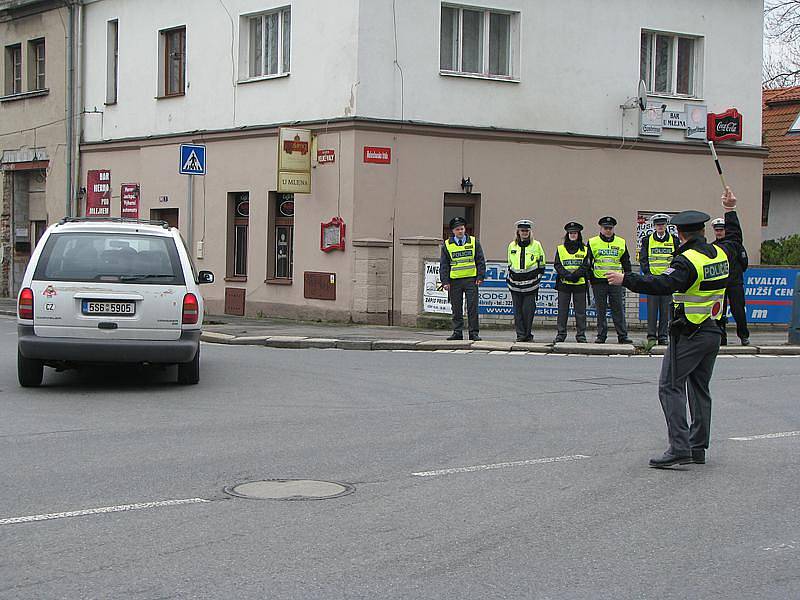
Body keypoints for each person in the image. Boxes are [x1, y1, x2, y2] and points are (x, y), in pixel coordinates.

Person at [606, 186, 742, 468]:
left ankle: (679, 447)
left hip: (689, 332)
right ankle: (697, 447)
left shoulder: (686, 260)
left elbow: (662, 284)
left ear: (680, 234)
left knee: (670, 387)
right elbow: (734, 240)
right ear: (703, 232)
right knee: (700, 389)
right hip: (714, 330)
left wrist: (625, 278)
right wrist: (730, 210)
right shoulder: (720, 254)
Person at [584, 216, 633, 344]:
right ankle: (601, 336)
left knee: (618, 309)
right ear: (600, 228)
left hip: (616, 281)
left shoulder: (621, 242)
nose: (608, 230)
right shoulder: (592, 242)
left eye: (610, 228)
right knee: (601, 310)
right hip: (598, 281)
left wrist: (627, 278)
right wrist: (590, 278)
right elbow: (587, 262)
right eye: (605, 228)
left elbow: (626, 262)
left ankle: (622, 336)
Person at [440, 216, 486, 341]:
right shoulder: (447, 245)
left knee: (472, 307)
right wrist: (445, 281)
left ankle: (473, 333)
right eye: (457, 229)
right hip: (455, 281)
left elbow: (480, 260)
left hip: (471, 279)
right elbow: (444, 265)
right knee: (456, 308)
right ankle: (457, 332)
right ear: (453, 231)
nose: (460, 231)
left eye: (462, 229)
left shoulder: (473, 242)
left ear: (465, 229)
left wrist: (480, 276)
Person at [640, 214, 680, 346]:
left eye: (662, 225)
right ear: (654, 226)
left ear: (666, 226)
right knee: (652, 310)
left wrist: (672, 275)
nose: (660, 227)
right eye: (658, 225)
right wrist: (648, 275)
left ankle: (663, 336)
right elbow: (643, 259)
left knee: (665, 310)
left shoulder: (674, 240)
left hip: (667, 281)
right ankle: (651, 336)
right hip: (653, 280)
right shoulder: (647, 240)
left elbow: (677, 259)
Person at [712, 217, 750, 346]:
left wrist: (736, 274)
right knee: (719, 312)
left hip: (735, 282)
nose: (719, 233)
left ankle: (744, 336)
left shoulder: (735, 244)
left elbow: (744, 263)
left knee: (738, 310)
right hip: (720, 284)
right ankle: (722, 338)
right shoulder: (712, 247)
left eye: (721, 230)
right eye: (717, 230)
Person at [506, 219, 546, 342]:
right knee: (517, 311)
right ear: (518, 232)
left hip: (531, 284)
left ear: (530, 232)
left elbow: (542, 263)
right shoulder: (512, 245)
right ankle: (520, 335)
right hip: (515, 284)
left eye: (526, 231)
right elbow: (510, 263)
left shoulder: (536, 245)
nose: (524, 233)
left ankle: (528, 334)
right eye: (522, 231)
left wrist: (538, 277)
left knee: (528, 310)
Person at [553, 221, 588, 343]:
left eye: (575, 233)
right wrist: (567, 275)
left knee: (580, 312)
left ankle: (581, 335)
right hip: (564, 284)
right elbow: (557, 264)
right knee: (562, 311)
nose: (573, 235)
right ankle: (561, 334)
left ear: (579, 234)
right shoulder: (560, 248)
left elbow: (586, 266)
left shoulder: (585, 249)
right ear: (567, 234)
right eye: (570, 233)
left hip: (580, 284)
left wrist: (576, 275)